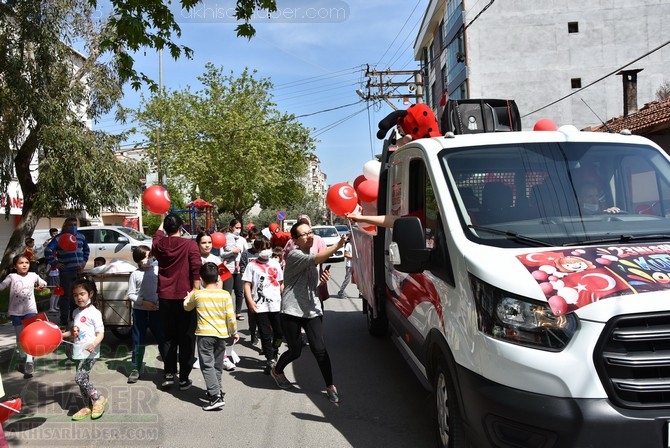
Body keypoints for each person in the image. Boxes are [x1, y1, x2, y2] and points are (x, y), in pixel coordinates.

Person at [270, 221, 347, 404]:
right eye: (304, 234)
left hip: (312, 310)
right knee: (295, 352)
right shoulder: (295, 255)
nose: (309, 235)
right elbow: (318, 259)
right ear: (295, 240)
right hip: (292, 311)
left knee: (319, 350)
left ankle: (330, 386)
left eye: (310, 232)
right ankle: (277, 370)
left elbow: (309, 286)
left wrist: (320, 282)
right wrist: (337, 245)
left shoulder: (310, 256)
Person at [152, 213, 202, 390]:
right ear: (181, 228)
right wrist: (195, 289)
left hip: (165, 297)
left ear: (165, 228)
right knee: (187, 338)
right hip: (185, 296)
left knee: (168, 337)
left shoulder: (158, 244)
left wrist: (161, 223)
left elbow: (157, 236)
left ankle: (168, 373)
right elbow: (196, 267)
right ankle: (184, 378)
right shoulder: (189, 244)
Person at [183, 262, 239, 411]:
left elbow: (187, 307)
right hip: (221, 335)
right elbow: (231, 317)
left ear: (201, 278)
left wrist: (188, 297)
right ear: (218, 278)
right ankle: (217, 390)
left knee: (207, 365)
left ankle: (215, 396)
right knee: (217, 365)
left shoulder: (198, 294)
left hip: (204, 335)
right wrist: (234, 332)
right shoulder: (225, 295)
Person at [61, 278, 107, 420]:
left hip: (90, 352)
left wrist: (94, 344)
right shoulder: (75, 312)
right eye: (75, 295)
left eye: (82, 294)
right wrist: (59, 335)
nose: (79, 297)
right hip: (78, 351)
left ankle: (98, 398)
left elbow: (101, 333)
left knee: (79, 378)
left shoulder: (95, 313)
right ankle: (87, 406)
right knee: (83, 380)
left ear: (90, 294)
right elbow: (73, 332)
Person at [0, 254, 46, 379]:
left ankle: (29, 361)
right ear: (15, 266)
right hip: (15, 312)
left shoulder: (33, 275)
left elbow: (43, 282)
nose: (24, 265)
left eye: (26, 262)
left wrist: (42, 284)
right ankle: (22, 357)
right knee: (20, 337)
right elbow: (2, 285)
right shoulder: (11, 276)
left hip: (30, 311)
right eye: (21, 263)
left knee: (29, 336)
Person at [242, 238, 284, 374]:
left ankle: (275, 350)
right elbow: (247, 285)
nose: (266, 250)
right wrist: (250, 302)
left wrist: (285, 299)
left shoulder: (275, 264)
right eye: (262, 248)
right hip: (260, 306)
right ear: (257, 249)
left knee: (278, 334)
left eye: (268, 247)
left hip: (276, 305)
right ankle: (270, 359)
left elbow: (281, 283)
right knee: (265, 335)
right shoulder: (252, 265)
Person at [195, 231, 235, 371]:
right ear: (198, 244)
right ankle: (200, 357)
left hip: (215, 301)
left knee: (218, 330)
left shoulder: (217, 259)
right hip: (199, 300)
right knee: (201, 331)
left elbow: (225, 278)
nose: (207, 245)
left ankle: (222, 357)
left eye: (209, 242)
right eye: (204, 243)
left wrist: (223, 296)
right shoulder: (194, 259)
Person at [127, 245, 165, 384]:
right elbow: (131, 294)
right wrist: (143, 302)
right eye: (144, 257)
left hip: (157, 311)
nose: (148, 259)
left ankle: (169, 367)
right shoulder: (135, 274)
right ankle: (136, 368)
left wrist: (161, 303)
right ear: (138, 260)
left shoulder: (157, 270)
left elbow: (164, 288)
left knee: (162, 338)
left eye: (150, 256)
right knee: (138, 340)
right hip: (140, 312)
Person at [45, 217, 90, 326]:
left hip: (78, 271)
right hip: (66, 271)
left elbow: (86, 250)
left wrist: (84, 262)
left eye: (75, 224)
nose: (73, 227)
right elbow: (48, 250)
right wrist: (55, 263)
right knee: (66, 296)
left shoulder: (81, 237)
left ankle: (75, 316)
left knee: (78, 294)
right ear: (65, 225)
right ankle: (64, 318)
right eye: (71, 225)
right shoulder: (59, 238)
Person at [221, 219, 247, 321]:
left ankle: (238, 312)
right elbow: (221, 254)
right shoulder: (224, 238)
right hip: (224, 268)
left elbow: (245, 253)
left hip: (238, 269)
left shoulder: (242, 240)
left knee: (239, 292)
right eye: (236, 227)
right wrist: (232, 252)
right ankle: (225, 313)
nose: (238, 230)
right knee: (226, 292)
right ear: (231, 227)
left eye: (240, 228)